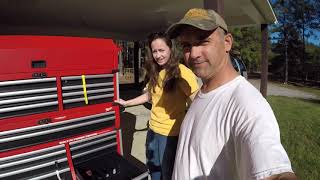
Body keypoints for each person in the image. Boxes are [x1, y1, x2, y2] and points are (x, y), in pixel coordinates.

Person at [166, 8, 297, 180]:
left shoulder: (248, 103)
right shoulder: (201, 93)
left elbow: (275, 172)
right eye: (187, 45)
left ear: (227, 42)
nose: (194, 54)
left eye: (203, 41)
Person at [114, 32, 199, 180]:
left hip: (170, 134)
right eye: (155, 51)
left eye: (162, 50)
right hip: (153, 130)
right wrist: (127, 103)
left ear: (170, 49)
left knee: (168, 173)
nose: (158, 55)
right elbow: (149, 95)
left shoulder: (182, 73)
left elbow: (197, 103)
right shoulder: (157, 71)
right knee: (153, 169)